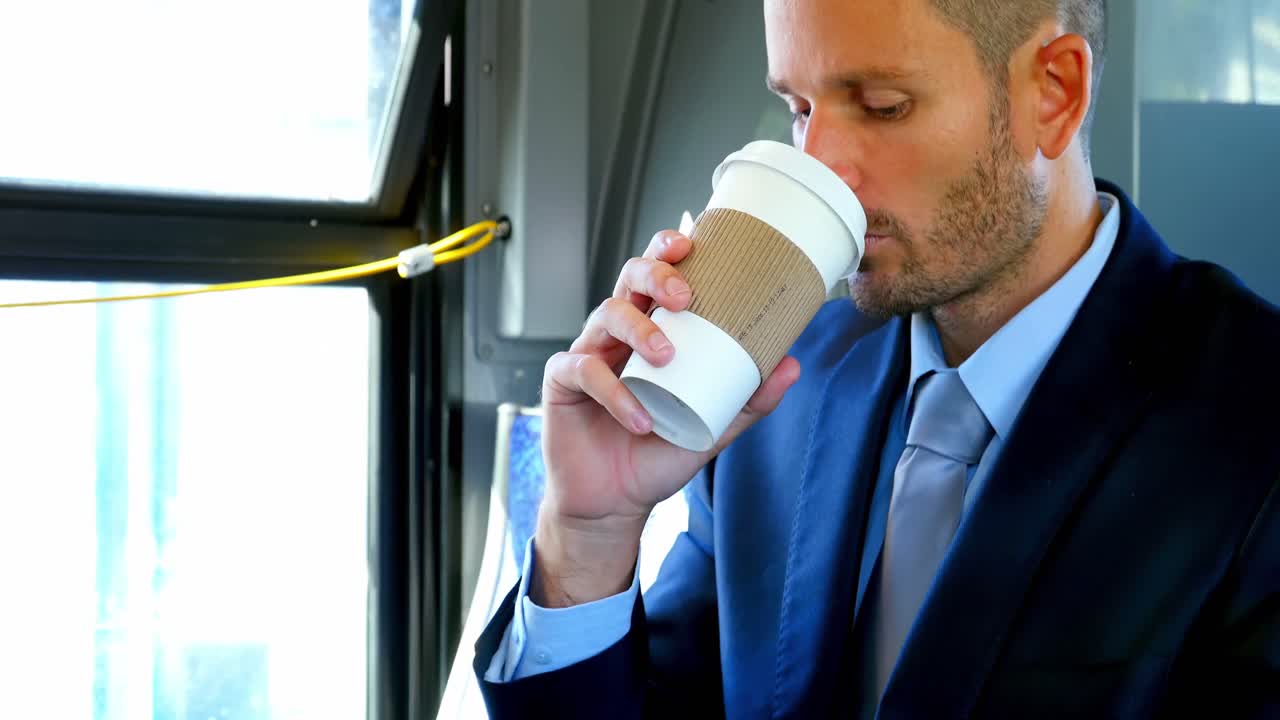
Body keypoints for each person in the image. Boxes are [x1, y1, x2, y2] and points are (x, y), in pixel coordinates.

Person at [471, 0, 1280, 716]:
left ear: (1054, 93)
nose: (819, 163)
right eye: (796, 106)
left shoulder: (1254, 426)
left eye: (883, 106)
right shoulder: (770, 387)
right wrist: (590, 539)